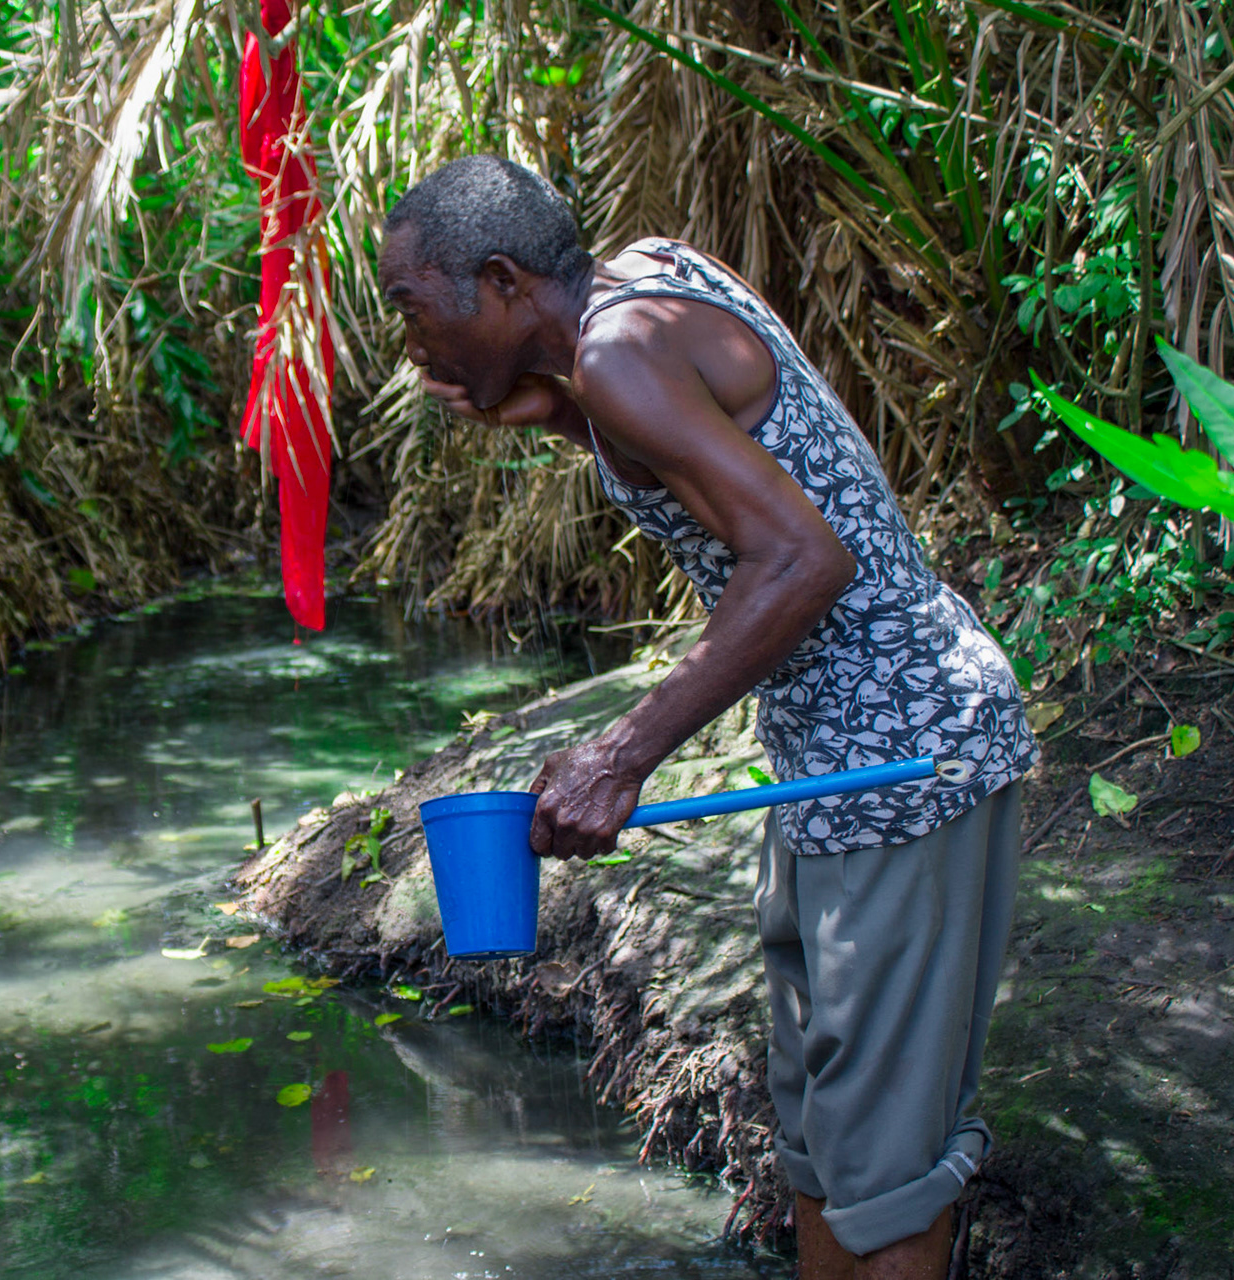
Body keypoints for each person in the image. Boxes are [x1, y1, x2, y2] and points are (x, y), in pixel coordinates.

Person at [379, 154, 1038, 1279]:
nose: (410, 344)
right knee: (823, 1141)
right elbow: (715, 455)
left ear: (498, 281)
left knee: (886, 1170)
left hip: (904, 760)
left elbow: (799, 557)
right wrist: (553, 414)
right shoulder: (642, 286)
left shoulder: (617, 356)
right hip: (834, 771)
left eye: (411, 305)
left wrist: (619, 753)